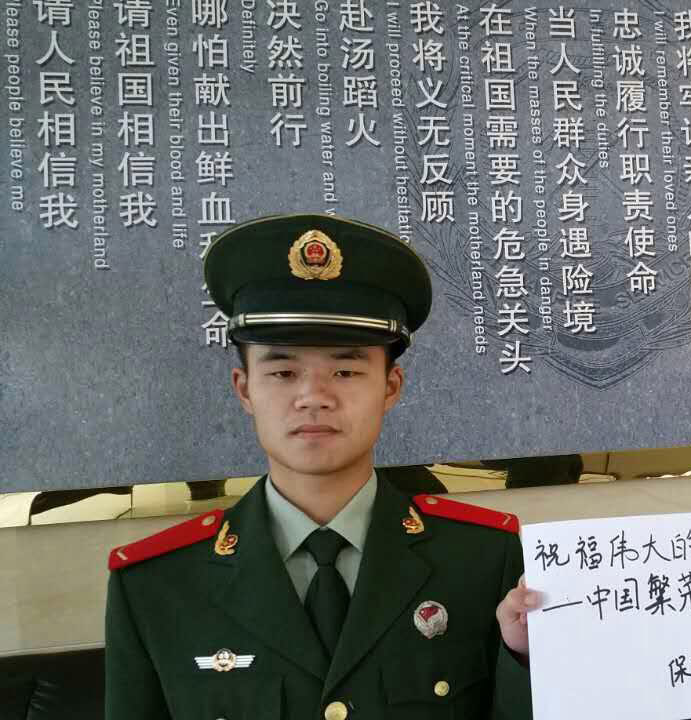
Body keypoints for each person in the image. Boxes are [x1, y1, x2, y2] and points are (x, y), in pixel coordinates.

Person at [105, 214, 538, 720]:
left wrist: (529, 659)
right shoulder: (157, 585)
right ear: (244, 390)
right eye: (283, 372)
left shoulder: (483, 560)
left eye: (346, 370)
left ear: (390, 387)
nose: (314, 397)